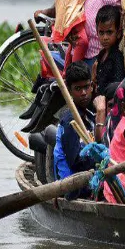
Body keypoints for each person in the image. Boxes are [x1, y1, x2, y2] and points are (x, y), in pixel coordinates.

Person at [53, 62, 105, 198]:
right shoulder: (70, 121)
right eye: (78, 89)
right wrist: (102, 160)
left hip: (90, 178)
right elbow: (76, 163)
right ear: (69, 91)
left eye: (86, 87)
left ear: (92, 87)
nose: (83, 93)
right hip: (74, 187)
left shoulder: (88, 114)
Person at [91, 4, 125, 97]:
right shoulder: (101, 54)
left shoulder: (117, 57)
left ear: (118, 33)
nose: (105, 37)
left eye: (109, 32)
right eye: (101, 33)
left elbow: (117, 86)